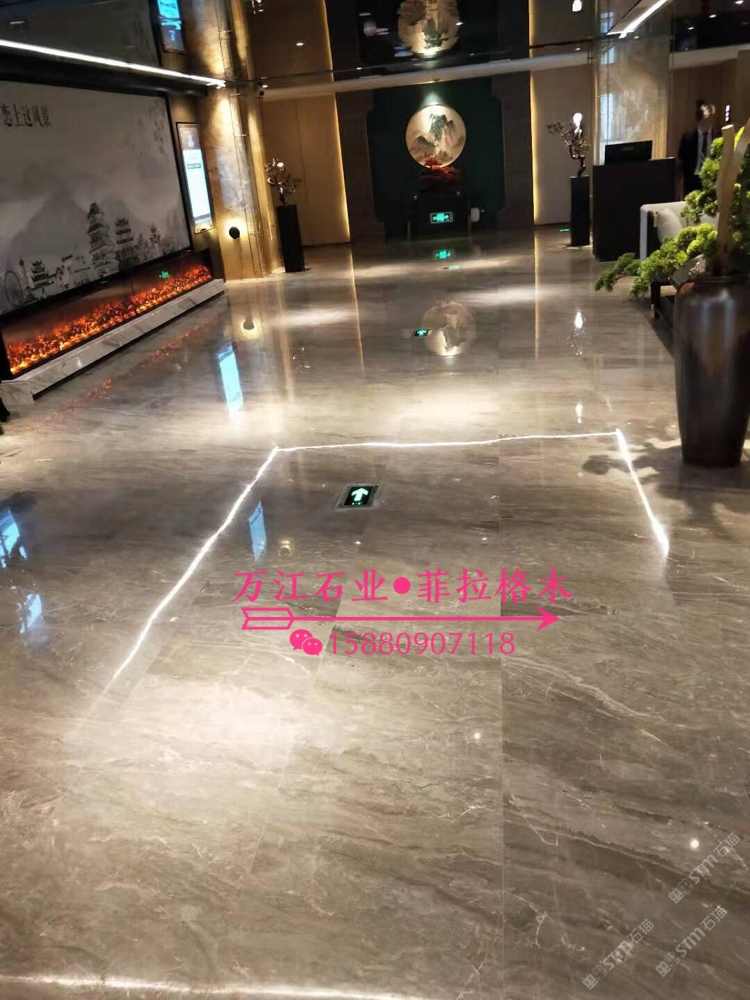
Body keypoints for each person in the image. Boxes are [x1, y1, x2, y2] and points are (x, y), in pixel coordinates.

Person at [678, 101, 716, 195]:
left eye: (711, 117)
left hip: (711, 180)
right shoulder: (688, 138)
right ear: (700, 119)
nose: (710, 121)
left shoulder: (717, 137)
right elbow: (681, 157)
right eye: (707, 118)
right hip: (692, 180)